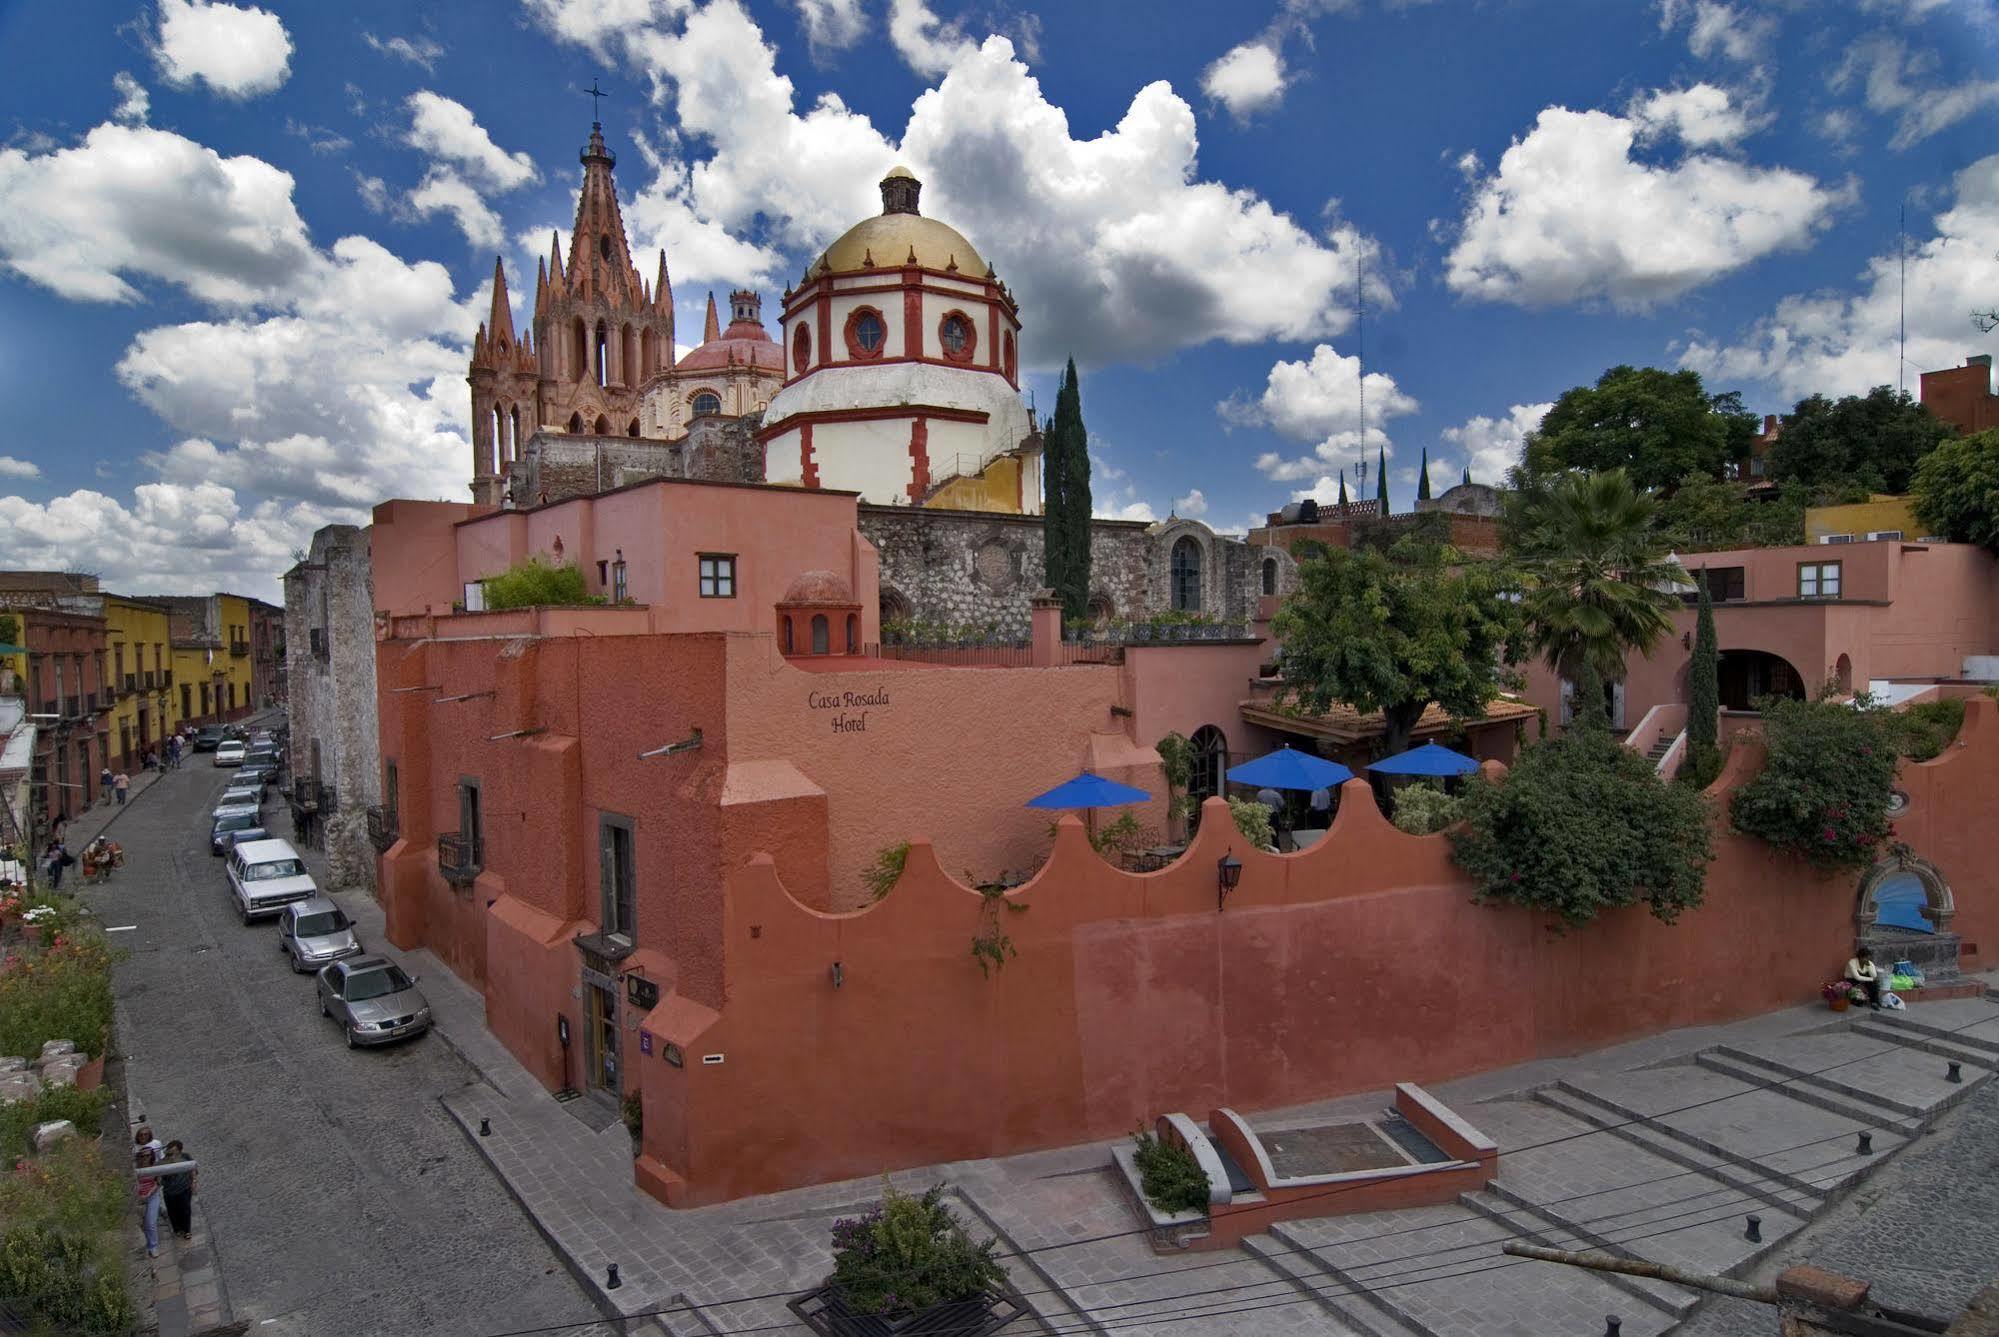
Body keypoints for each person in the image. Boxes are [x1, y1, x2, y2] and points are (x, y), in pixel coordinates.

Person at [159, 1140, 196, 1240]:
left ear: (179, 1151)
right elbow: (161, 1177)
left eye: (174, 1152)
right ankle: (177, 1229)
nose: (171, 1154)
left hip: (184, 1188)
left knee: (185, 1209)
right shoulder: (165, 1161)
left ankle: (187, 1230)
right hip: (169, 1191)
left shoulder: (185, 1157)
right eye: (169, 1152)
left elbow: (192, 1168)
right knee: (172, 1211)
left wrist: (193, 1182)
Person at [135, 1145, 162, 1258]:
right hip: (138, 1198)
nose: (145, 1157)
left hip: (152, 1196)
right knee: (141, 1223)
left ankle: (153, 1246)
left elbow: (158, 1183)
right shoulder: (135, 1168)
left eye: (148, 1155)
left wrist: (149, 1193)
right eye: (143, 1155)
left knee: (150, 1222)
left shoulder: (154, 1167)